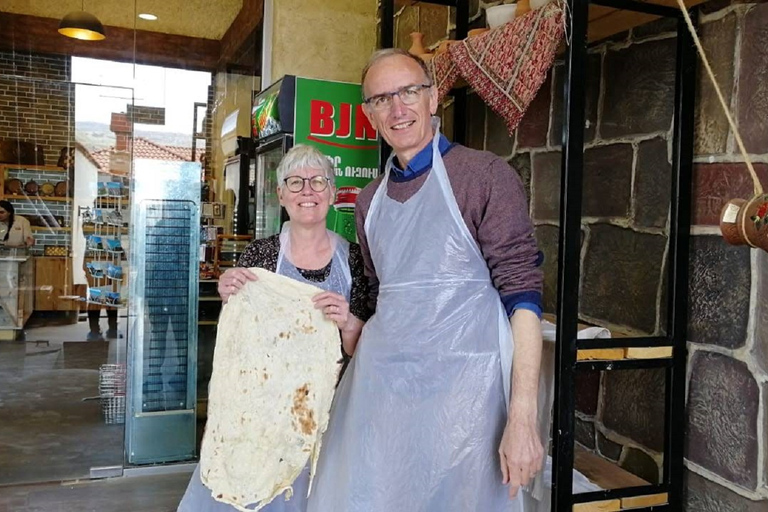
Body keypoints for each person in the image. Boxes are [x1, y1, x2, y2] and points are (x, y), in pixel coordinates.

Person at [306, 48, 545, 512]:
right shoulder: (369, 201)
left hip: (468, 407)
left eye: (409, 92)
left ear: (434, 98)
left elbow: (524, 299)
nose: (397, 109)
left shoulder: (485, 176)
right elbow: (378, 299)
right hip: (382, 396)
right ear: (369, 114)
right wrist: (348, 325)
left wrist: (522, 418)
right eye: (381, 99)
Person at [178, 144, 371, 512]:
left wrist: (347, 321)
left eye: (318, 181)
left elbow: (363, 349)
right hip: (265, 417)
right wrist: (229, 294)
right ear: (281, 194)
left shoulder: (356, 260)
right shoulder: (260, 256)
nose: (307, 192)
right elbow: (242, 346)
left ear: (332, 192)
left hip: (330, 415)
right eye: (295, 183)